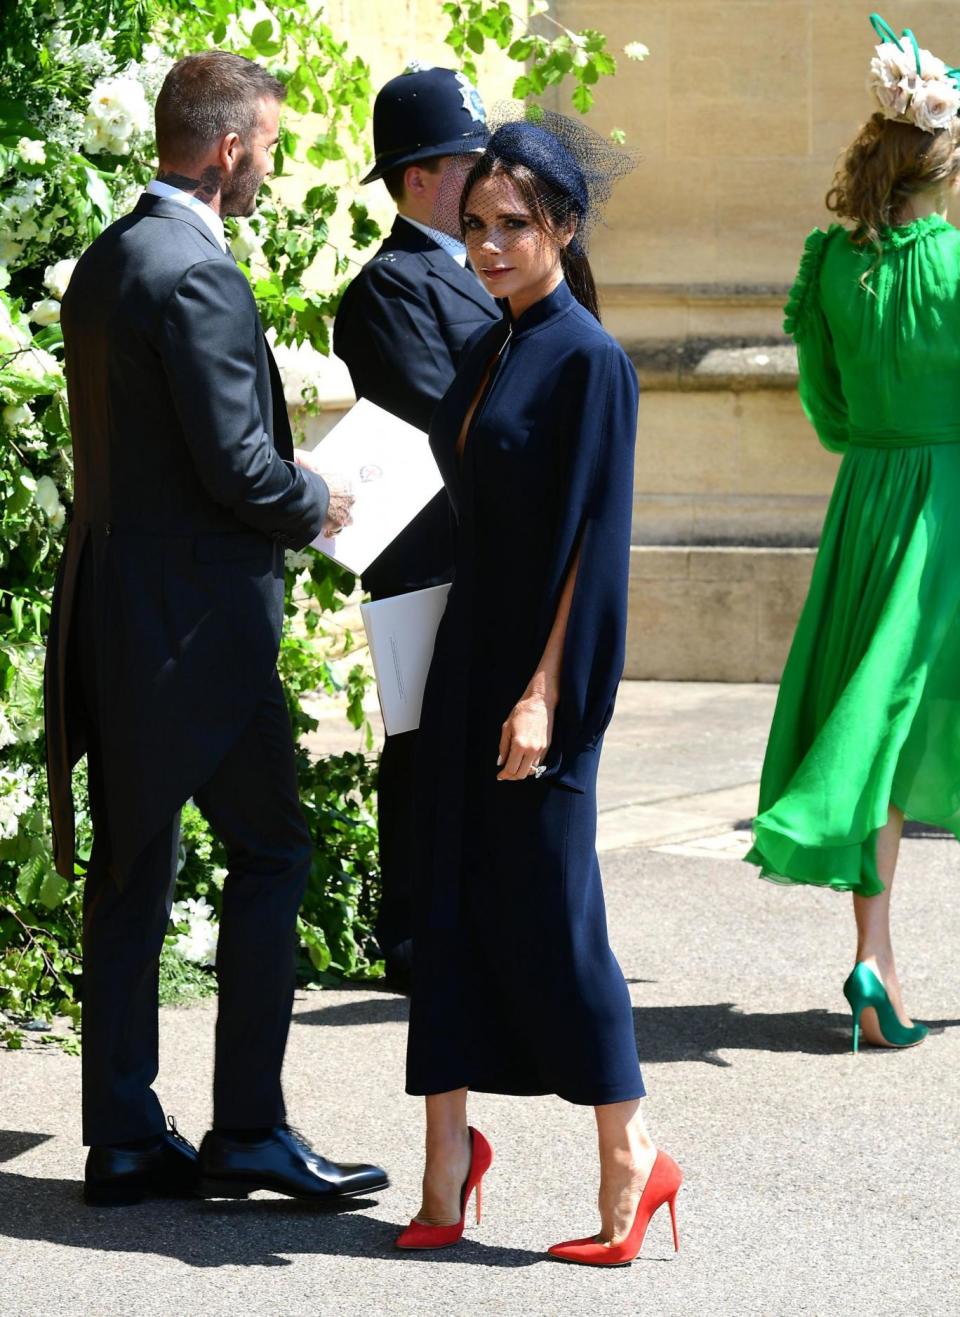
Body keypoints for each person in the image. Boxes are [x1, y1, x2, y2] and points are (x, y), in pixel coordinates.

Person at [45, 50, 387, 1206]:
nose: (270, 168)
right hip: (200, 627)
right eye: (271, 148)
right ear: (229, 148)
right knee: (274, 850)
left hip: (115, 605)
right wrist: (316, 499)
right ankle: (247, 1128)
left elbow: (151, 455)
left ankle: (127, 1138)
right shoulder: (196, 271)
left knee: (131, 874)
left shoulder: (106, 260)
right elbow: (237, 467)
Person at [394, 112, 682, 1266]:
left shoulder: (593, 361)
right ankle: (446, 1165)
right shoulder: (487, 346)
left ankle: (633, 1157)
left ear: (564, 225)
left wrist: (546, 695)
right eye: (474, 227)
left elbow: (592, 545)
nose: (489, 246)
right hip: (466, 659)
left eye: (514, 226)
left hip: (538, 675)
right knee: (445, 908)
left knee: (558, 919)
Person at [745, 13, 960, 1053]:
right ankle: (877, 967)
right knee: (916, 720)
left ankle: (876, 954)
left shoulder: (831, 263)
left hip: (871, 501)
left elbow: (826, 411)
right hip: (949, 503)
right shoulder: (958, 267)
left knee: (874, 728)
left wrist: (882, 439)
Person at [334, 65, 499, 990]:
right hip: (428, 555)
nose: (488, 180)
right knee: (428, 746)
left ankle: (471, 921)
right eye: (470, 164)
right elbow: (453, 413)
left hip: (484, 548)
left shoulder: (487, 270)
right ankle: (414, 932)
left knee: (479, 746)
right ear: (420, 179)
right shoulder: (390, 287)